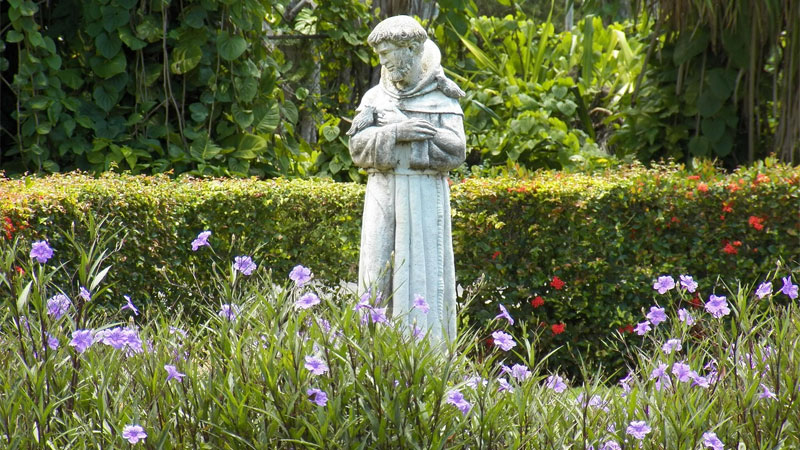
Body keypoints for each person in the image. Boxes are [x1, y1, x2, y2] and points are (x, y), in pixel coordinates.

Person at [348, 15, 466, 343]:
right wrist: (397, 132)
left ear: (412, 49)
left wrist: (422, 138)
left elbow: (457, 152)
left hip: (424, 193)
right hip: (382, 192)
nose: (383, 62)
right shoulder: (375, 98)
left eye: (387, 53)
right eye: (380, 55)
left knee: (421, 272)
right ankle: (373, 357)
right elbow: (356, 148)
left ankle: (425, 355)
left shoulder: (441, 98)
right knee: (377, 273)